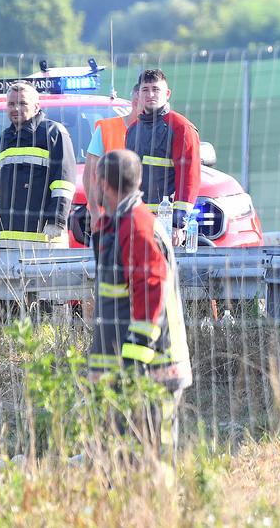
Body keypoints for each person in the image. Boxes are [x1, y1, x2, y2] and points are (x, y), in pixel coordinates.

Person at [86, 148, 192, 463]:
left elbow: (151, 291)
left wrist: (133, 362)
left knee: (151, 460)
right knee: (123, 459)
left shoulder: (137, 226)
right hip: (133, 371)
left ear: (101, 183)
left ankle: (158, 511)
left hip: (149, 371)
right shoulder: (122, 223)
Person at [0, 82, 77, 247]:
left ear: (36, 106)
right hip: (8, 244)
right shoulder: (3, 141)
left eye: (22, 103)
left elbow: (64, 182)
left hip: (45, 242)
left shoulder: (53, 134)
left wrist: (56, 220)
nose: (16, 109)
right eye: (11, 104)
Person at [125, 69, 203, 249]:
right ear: (138, 94)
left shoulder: (181, 127)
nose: (150, 94)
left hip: (166, 224)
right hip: (136, 221)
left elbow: (189, 178)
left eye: (156, 89)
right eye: (145, 89)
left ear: (167, 94)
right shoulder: (133, 130)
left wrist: (178, 224)